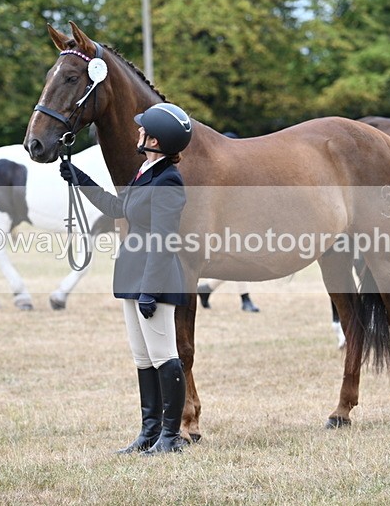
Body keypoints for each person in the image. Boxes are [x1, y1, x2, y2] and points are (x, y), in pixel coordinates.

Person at [60, 102, 192, 454]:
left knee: (164, 355)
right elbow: (120, 209)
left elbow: (164, 242)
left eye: (143, 129)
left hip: (155, 279)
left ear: (157, 141)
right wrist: (82, 182)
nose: (138, 132)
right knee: (143, 358)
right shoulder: (145, 171)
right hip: (132, 273)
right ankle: (149, 433)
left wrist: (151, 290)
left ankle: (170, 436)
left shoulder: (168, 180)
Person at [195, 131, 261, 314]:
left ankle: (207, 289)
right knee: (241, 259)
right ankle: (245, 299)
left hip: (238, 221)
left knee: (241, 260)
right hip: (225, 224)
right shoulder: (218, 171)